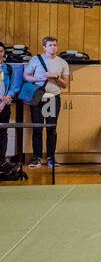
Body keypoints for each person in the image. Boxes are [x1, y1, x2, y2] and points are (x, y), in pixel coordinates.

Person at [23, 35, 70, 168]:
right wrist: (38, 78)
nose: (53, 47)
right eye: (50, 45)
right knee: (37, 128)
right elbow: (26, 75)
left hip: (52, 97)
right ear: (44, 47)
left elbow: (65, 84)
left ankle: (51, 158)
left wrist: (56, 77)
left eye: (55, 45)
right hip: (37, 97)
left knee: (51, 128)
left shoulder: (62, 63)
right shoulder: (36, 59)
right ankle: (36, 158)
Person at [0, 56, 25, 163]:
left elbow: (14, 85)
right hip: (2, 100)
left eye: (1, 51)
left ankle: (1, 160)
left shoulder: (8, 68)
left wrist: (5, 100)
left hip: (5, 104)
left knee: (2, 132)